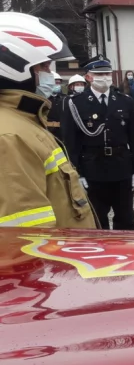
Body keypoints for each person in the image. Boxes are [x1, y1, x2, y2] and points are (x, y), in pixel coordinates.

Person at [0, 12, 96, 230]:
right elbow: (25, 238)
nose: (50, 75)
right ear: (13, 67)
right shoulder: (9, 138)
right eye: (43, 67)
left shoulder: (22, 121)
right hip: (55, 262)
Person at [61, 58, 134, 229]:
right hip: (93, 168)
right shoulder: (76, 104)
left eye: (107, 73)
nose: (104, 77)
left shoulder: (124, 101)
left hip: (121, 167)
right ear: (89, 77)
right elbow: (72, 142)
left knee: (126, 217)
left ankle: (126, 251)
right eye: (99, 74)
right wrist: (78, 173)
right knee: (97, 217)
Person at [46, 73, 66, 140]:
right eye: (55, 83)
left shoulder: (64, 98)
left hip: (61, 131)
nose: (57, 85)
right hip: (47, 131)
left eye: (59, 83)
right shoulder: (44, 98)